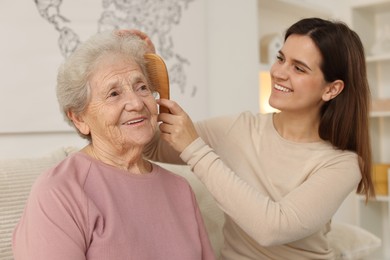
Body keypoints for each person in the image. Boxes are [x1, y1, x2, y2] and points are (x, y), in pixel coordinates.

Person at [143, 17, 375, 259]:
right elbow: (153, 148)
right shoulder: (239, 128)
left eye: (298, 68)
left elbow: (272, 228)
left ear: (331, 89)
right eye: (280, 58)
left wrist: (195, 149)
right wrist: (148, 75)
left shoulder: (343, 163)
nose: (279, 73)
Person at [12, 30, 215, 260]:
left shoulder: (180, 189)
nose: (137, 103)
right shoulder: (59, 191)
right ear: (79, 118)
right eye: (114, 93)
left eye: (142, 88)